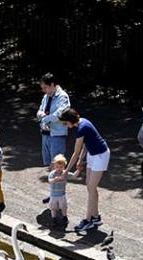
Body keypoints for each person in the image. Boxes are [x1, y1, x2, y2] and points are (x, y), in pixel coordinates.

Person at [59, 109, 109, 232]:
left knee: (91, 188)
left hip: (101, 155)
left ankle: (88, 220)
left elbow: (75, 152)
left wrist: (66, 170)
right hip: (92, 154)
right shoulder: (83, 122)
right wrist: (81, 160)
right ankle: (96, 217)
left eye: (65, 123)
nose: (66, 126)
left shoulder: (81, 128)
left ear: (70, 121)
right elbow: (86, 145)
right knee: (90, 187)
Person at [36, 73, 70, 204]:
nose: (43, 90)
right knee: (50, 164)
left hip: (57, 134)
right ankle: (53, 193)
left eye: (45, 87)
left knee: (57, 165)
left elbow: (59, 114)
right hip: (46, 133)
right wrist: (40, 114)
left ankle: (59, 195)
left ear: (52, 85)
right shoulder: (46, 96)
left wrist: (44, 118)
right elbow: (40, 110)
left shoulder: (63, 97)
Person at [46, 154, 80, 229]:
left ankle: (64, 217)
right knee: (53, 207)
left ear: (64, 166)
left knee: (64, 206)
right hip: (53, 195)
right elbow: (49, 181)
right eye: (57, 167)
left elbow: (74, 176)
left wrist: (78, 170)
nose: (59, 169)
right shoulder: (52, 174)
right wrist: (55, 180)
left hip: (62, 194)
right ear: (54, 166)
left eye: (61, 167)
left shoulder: (65, 173)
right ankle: (54, 218)